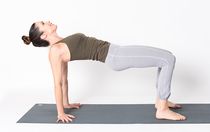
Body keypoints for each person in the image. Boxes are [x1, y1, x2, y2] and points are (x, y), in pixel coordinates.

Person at [22, 20, 186, 123]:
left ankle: (160, 101)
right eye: (44, 23)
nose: (48, 21)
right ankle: (162, 109)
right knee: (167, 60)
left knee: (167, 57)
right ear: (43, 35)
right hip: (115, 56)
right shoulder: (55, 51)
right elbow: (58, 83)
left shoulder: (61, 44)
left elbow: (65, 80)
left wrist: (66, 103)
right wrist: (60, 112)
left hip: (116, 51)